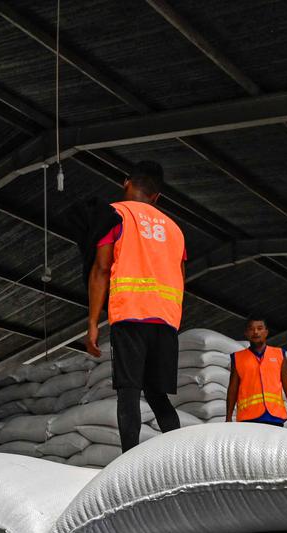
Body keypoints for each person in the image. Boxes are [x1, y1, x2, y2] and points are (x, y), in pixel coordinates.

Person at [86, 161, 186, 452]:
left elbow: (101, 269)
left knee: (128, 392)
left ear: (126, 182)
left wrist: (92, 323)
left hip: (131, 314)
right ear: (157, 196)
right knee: (157, 395)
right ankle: (180, 458)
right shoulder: (175, 229)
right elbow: (181, 277)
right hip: (166, 320)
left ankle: (128, 461)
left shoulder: (115, 215)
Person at [225, 317, 287, 432]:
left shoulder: (279, 355)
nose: (255, 332)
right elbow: (232, 389)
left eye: (259, 328)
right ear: (246, 333)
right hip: (248, 418)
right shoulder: (238, 358)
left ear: (266, 332)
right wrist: (228, 418)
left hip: (274, 416)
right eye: (251, 329)